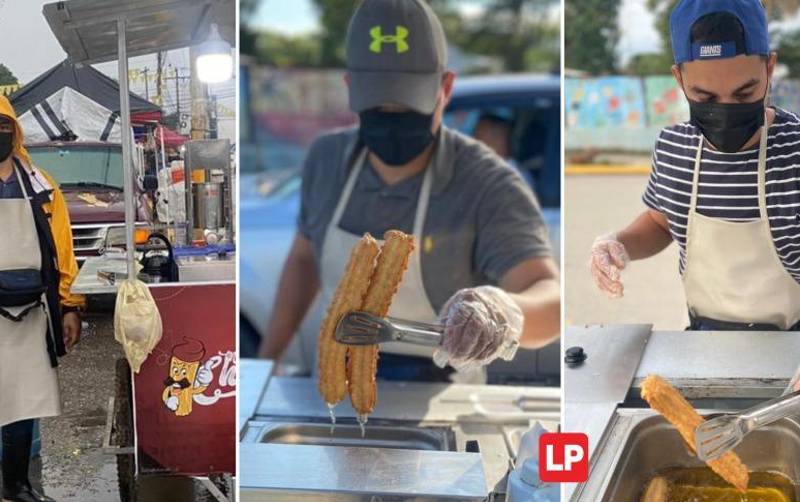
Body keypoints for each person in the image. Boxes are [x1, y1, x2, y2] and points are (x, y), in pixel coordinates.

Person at [260, 0, 560, 382]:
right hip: (336, 381)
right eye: (378, 106)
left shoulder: (487, 183)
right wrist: (267, 362)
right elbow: (304, 259)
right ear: (351, 89)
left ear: (445, 89)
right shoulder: (327, 160)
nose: (392, 118)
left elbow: (548, 295)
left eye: (407, 106)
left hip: (444, 387)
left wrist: (504, 311)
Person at [591, 0, 800, 332]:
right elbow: (662, 224)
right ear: (679, 77)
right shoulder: (675, 148)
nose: (727, 109)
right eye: (706, 98)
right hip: (705, 342)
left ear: (769, 69)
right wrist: (619, 244)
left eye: (745, 94)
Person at [0, 95, 84, 502]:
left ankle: (16, 486)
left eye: (3, 126)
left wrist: (70, 305)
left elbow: (63, 251)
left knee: (23, 400)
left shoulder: (40, 184)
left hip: (32, 311)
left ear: (14, 131)